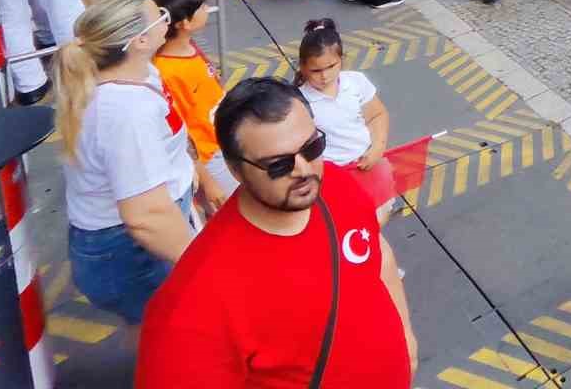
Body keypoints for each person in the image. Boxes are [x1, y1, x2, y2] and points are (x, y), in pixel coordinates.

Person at [136, 77, 417, 388]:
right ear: (234, 170)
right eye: (278, 165)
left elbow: (378, 257)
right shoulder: (193, 304)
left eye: (312, 147)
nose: (304, 170)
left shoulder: (336, 185)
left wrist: (407, 346)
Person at [58, 0, 194, 326]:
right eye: (160, 14)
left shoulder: (139, 73)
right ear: (140, 40)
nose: (167, 17)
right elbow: (146, 216)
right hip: (133, 251)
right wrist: (204, 263)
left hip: (141, 238)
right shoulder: (125, 111)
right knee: (172, 331)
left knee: (156, 328)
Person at [150, 0, 237, 213]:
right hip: (209, 157)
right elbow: (181, 134)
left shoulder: (189, 46)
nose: (207, 9)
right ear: (184, 23)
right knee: (229, 212)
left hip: (222, 138)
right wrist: (207, 182)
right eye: (201, 7)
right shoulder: (166, 73)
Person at [296, 19, 396, 219]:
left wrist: (377, 147)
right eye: (316, 70)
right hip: (331, 179)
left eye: (331, 66)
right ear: (302, 67)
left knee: (378, 214)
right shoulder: (298, 102)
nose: (324, 76)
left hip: (368, 165)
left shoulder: (356, 82)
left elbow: (377, 115)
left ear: (342, 60)